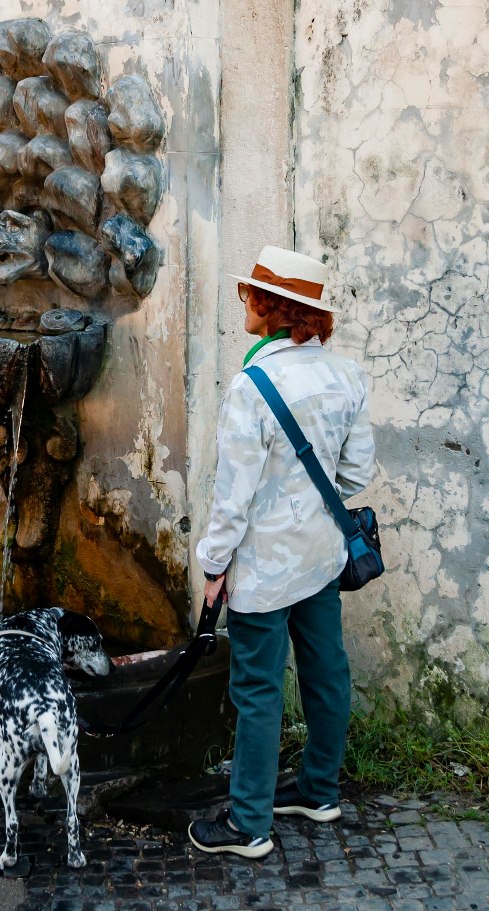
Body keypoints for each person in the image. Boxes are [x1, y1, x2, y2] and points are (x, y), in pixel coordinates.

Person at [188, 246, 376, 858]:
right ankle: (320, 791)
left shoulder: (253, 386)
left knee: (259, 689)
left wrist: (213, 564)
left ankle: (248, 824)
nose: (244, 301)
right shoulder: (346, 375)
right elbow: (355, 475)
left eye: (251, 294)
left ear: (273, 307)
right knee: (327, 672)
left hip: (264, 572)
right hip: (321, 558)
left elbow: (231, 496)